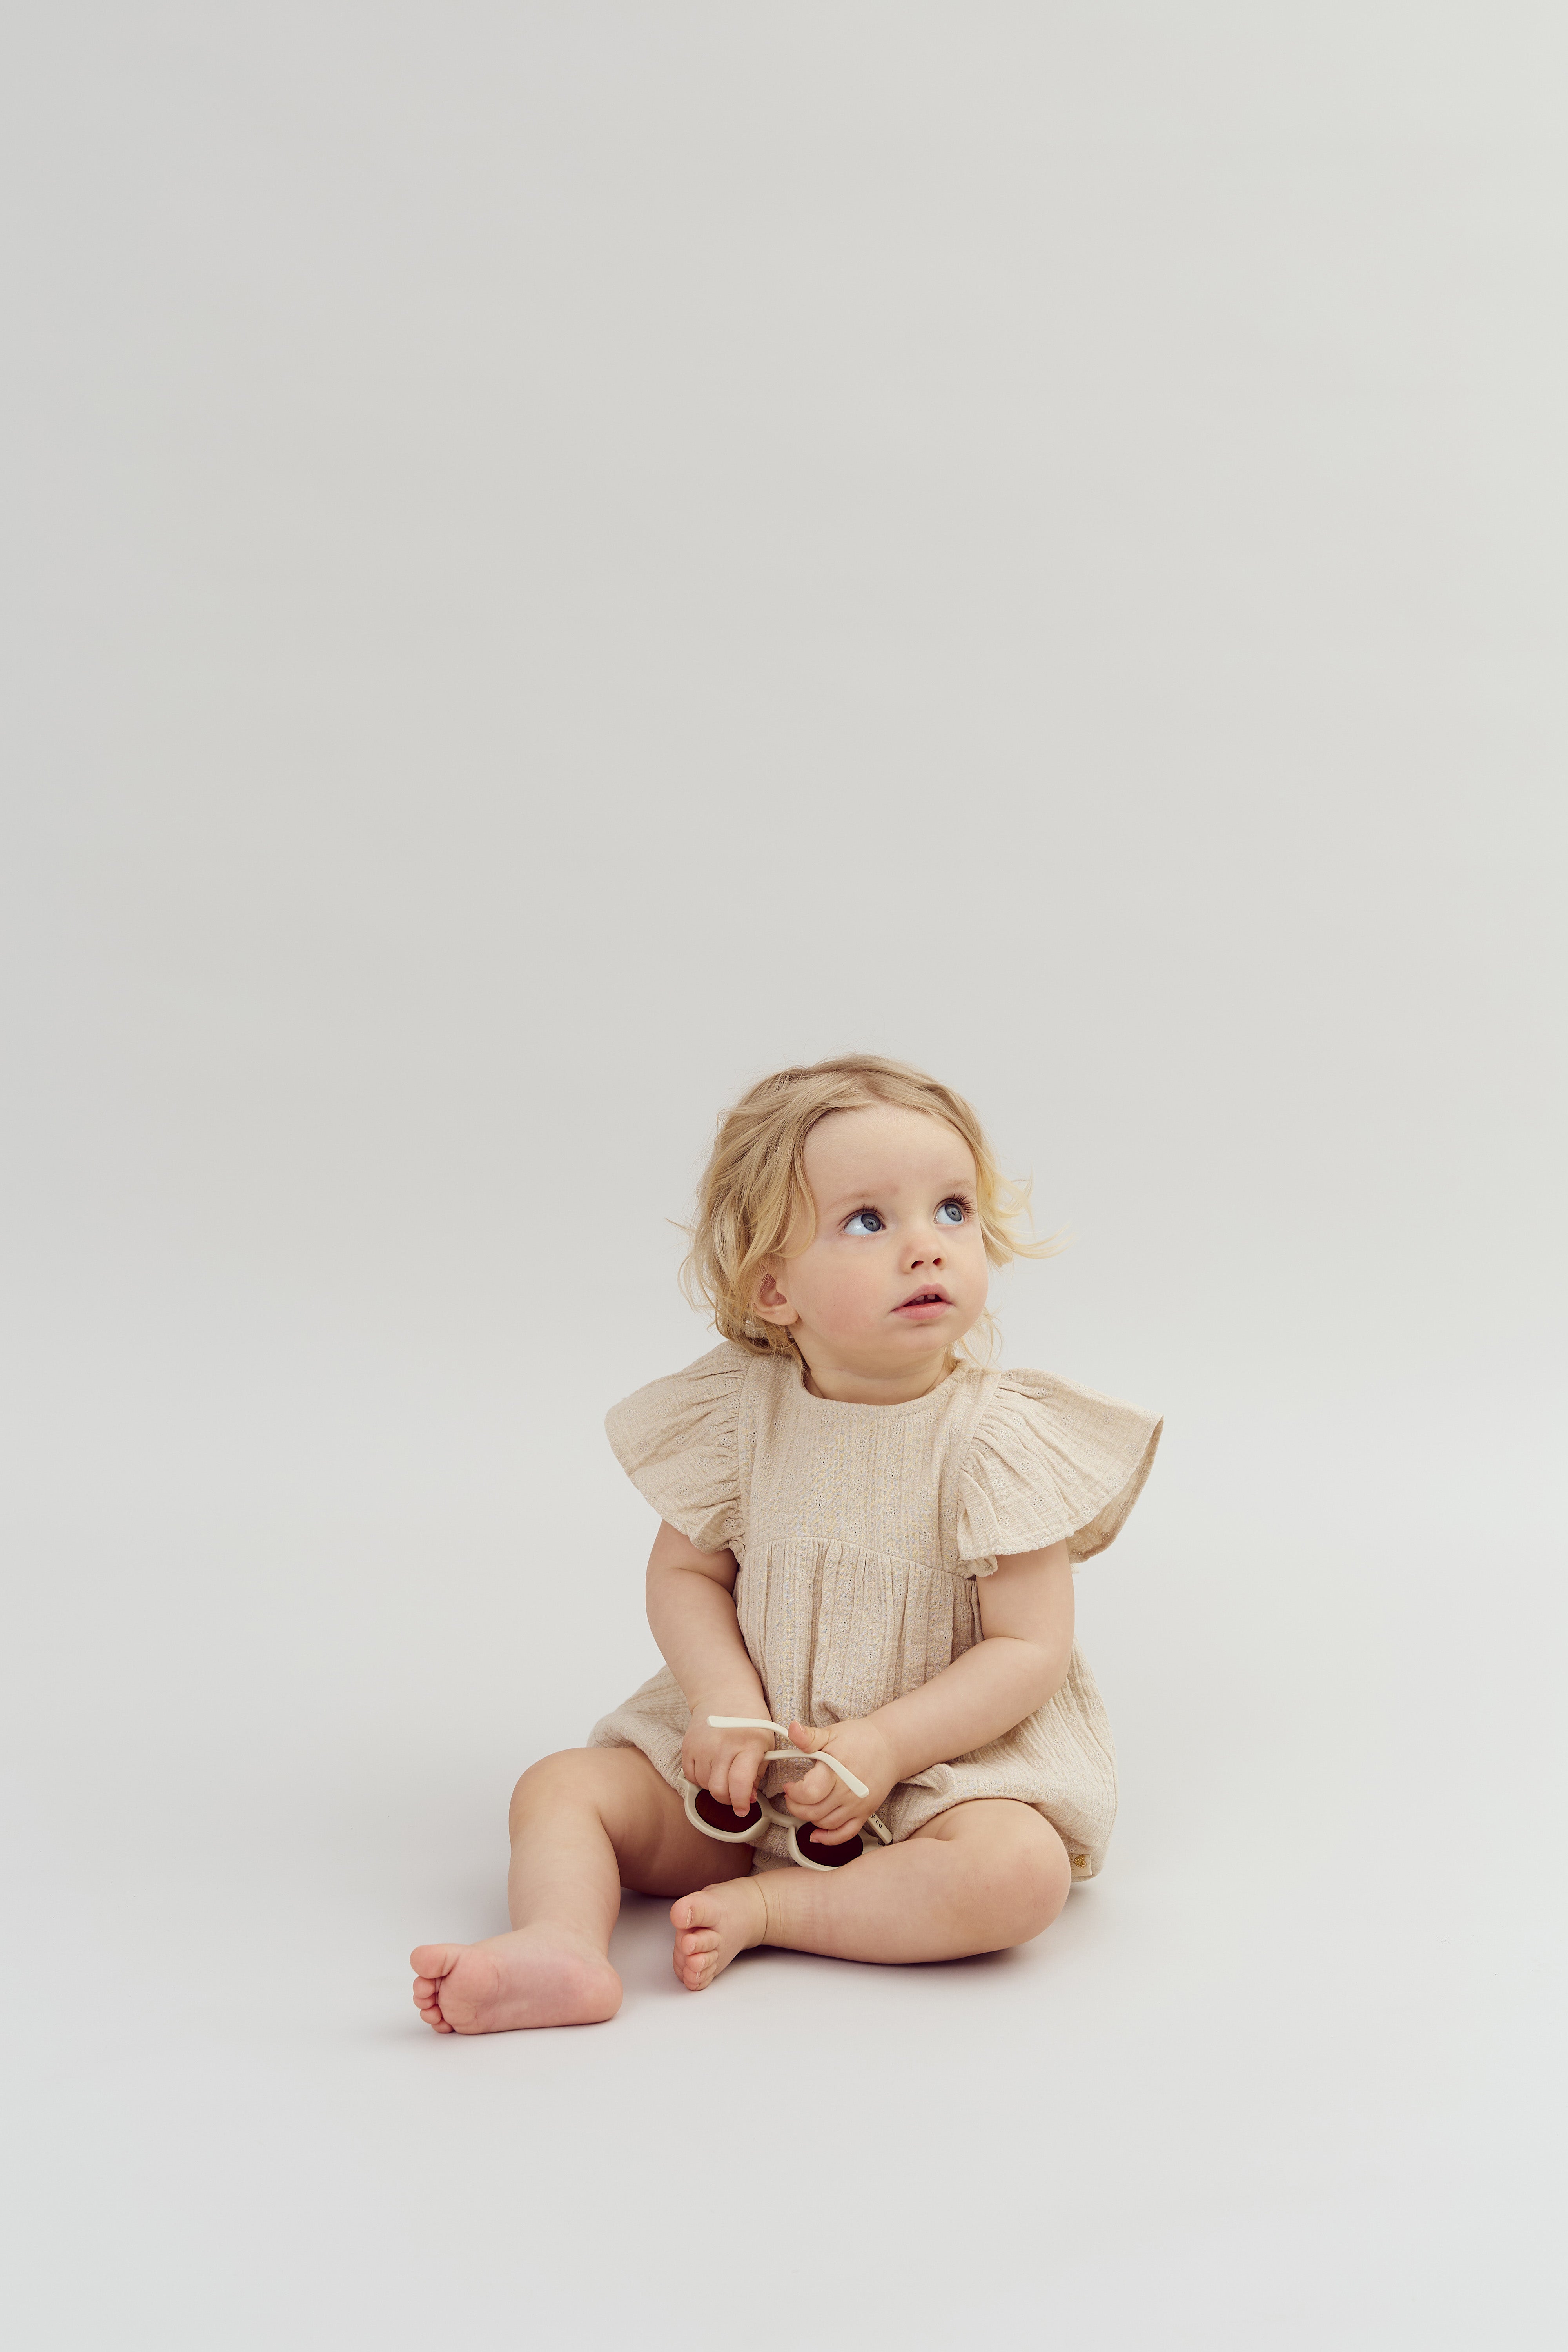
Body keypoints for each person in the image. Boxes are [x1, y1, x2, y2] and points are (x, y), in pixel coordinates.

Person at [411, 1055, 1161, 2032]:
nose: (926, 1249)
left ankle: (776, 1909)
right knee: (559, 1789)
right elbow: (684, 1573)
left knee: (1018, 1877)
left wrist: (888, 1746)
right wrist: (723, 1703)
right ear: (772, 1289)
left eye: (951, 1210)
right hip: (744, 1770)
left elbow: (1028, 1649)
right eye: (866, 1221)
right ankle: (559, 1945)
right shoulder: (738, 1413)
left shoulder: (998, 1439)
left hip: (937, 1776)